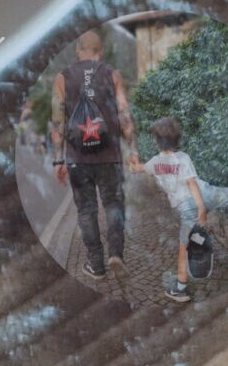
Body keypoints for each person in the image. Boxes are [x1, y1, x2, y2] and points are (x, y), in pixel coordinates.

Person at [142, 114, 228, 303]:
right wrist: (202, 206)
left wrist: (201, 210)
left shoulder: (154, 162)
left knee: (183, 247)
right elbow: (193, 183)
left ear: (156, 141)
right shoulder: (183, 158)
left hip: (189, 206)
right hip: (207, 193)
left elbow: (141, 169)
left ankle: (180, 288)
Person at [50, 31, 133, 282]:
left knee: (86, 210)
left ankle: (96, 264)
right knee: (114, 203)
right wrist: (134, 151)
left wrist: (58, 160)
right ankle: (115, 254)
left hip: (78, 158)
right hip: (110, 155)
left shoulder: (62, 79)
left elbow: (57, 122)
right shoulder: (113, 75)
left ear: (78, 51)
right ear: (101, 52)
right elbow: (125, 115)